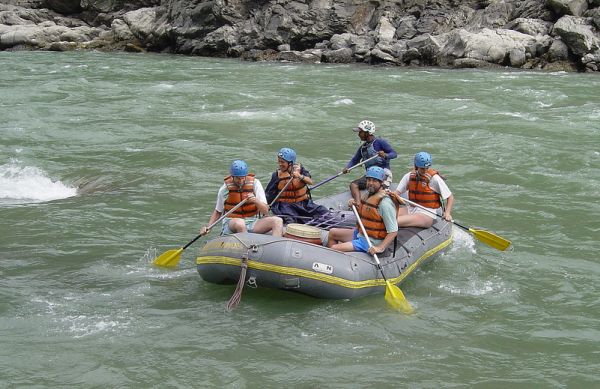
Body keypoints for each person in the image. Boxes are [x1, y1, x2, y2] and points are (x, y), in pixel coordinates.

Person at [200, 160, 283, 237]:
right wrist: (209, 227)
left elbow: (265, 210)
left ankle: (276, 246)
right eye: (238, 178)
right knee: (240, 223)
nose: (241, 181)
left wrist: (255, 200)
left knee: (277, 221)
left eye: (243, 178)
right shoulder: (225, 188)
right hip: (232, 223)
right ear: (232, 177)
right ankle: (248, 247)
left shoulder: (255, 184)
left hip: (252, 222)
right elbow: (218, 211)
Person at [327, 166, 398, 254]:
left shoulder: (384, 203)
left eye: (374, 181)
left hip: (371, 241)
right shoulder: (367, 195)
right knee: (332, 232)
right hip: (361, 234)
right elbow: (363, 215)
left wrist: (380, 248)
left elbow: (393, 231)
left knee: (334, 248)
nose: (370, 183)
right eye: (369, 180)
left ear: (381, 182)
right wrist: (353, 205)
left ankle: (333, 258)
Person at [265, 147, 328, 224]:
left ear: (290, 163)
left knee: (322, 210)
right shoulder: (276, 175)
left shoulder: (300, 170)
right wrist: (266, 207)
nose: (280, 164)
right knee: (290, 220)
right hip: (286, 205)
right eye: (279, 161)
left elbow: (310, 182)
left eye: (282, 162)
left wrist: (299, 176)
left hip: (302, 203)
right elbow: (269, 194)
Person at [342, 120, 398, 205]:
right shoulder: (362, 148)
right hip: (370, 176)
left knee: (377, 192)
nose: (358, 134)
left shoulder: (380, 142)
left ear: (367, 132)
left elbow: (394, 154)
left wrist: (385, 155)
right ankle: (358, 204)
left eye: (360, 132)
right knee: (353, 185)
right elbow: (354, 160)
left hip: (383, 174)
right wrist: (348, 167)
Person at [394, 152, 454, 228]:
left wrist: (447, 213)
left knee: (393, 222)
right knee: (384, 217)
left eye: (427, 168)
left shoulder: (434, 179)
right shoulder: (409, 176)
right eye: (422, 168)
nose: (425, 171)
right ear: (416, 166)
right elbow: (396, 193)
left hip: (426, 213)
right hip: (411, 209)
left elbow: (450, 197)